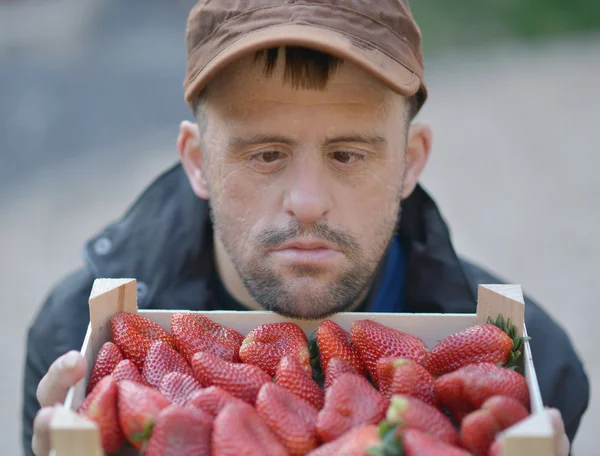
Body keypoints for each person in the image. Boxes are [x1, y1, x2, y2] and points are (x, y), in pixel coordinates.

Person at [23, 1, 587, 455]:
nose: (309, 203)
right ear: (197, 160)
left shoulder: (536, 364)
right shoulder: (72, 340)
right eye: (266, 155)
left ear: (411, 160)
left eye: (348, 155)